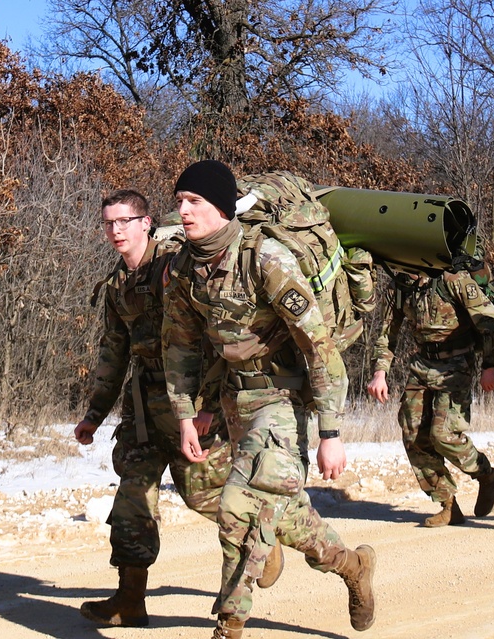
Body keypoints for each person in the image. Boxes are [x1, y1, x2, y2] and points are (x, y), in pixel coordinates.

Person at [163, 160, 376, 639]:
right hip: (232, 397)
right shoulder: (185, 268)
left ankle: (230, 626)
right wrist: (186, 413)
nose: (184, 210)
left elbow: (317, 345)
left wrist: (331, 432)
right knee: (279, 509)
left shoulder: (266, 258)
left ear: (220, 207)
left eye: (194, 201)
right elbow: (177, 344)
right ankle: (353, 566)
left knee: (241, 507)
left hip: (282, 398)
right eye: (179, 201)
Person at [74, 190, 281, 628]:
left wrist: (206, 405)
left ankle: (268, 538)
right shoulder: (117, 284)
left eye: (125, 221)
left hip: (192, 404)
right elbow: (114, 351)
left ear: (147, 223)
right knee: (133, 496)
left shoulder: (176, 266)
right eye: (109, 223)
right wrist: (95, 413)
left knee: (204, 496)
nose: (116, 231)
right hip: (144, 409)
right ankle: (130, 599)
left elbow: (213, 336)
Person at [366, 268, 494, 527]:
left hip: (456, 363)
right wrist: (380, 372)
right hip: (422, 363)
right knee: (413, 434)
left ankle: (487, 476)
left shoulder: (452, 279)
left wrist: (490, 365)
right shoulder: (401, 286)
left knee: (443, 435)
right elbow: (388, 333)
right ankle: (448, 504)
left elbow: (489, 321)